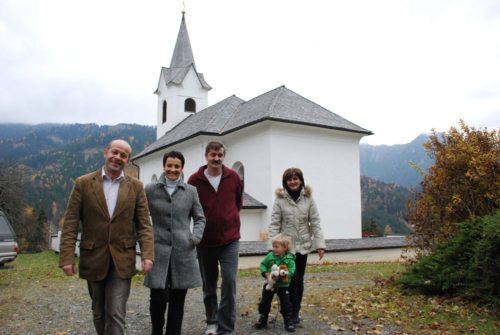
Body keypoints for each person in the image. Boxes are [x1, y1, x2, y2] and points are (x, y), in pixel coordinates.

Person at [59, 139, 154, 335]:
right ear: (106, 152)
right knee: (98, 312)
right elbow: (70, 223)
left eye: (123, 155)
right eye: (115, 152)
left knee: (116, 312)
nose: (118, 157)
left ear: (127, 160)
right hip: (93, 257)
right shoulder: (83, 183)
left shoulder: (136, 187)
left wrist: (147, 254)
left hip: (123, 258)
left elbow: (144, 224)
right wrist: (67, 257)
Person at [144, 151, 206, 335]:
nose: (172, 169)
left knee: (178, 300)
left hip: (183, 251)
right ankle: (157, 329)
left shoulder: (191, 191)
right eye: (169, 165)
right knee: (158, 297)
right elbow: (138, 216)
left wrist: (194, 238)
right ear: (164, 166)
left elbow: (200, 218)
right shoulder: (150, 189)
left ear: (182, 168)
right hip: (158, 251)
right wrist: (145, 240)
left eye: (176, 166)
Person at [187, 141, 244, 335]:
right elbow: (190, 208)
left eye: (220, 155)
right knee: (209, 284)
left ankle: (226, 327)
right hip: (205, 242)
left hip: (230, 240)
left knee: (229, 282)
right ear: (206, 156)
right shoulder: (194, 180)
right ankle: (212, 321)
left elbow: (238, 203)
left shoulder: (233, 177)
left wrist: (229, 221)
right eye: (213, 154)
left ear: (223, 156)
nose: (217, 158)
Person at [268, 167, 326, 325]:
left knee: (298, 280)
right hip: (285, 248)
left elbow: (315, 222)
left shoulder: (308, 199)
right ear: (285, 182)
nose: (293, 182)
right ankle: (287, 310)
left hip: (302, 248)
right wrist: (271, 247)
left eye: (296, 179)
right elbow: (274, 224)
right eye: (290, 179)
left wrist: (320, 245)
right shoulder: (280, 200)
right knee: (285, 280)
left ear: (301, 180)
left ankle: (295, 312)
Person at [254, 233, 296, 332]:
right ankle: (263, 318)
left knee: (286, 303)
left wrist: (284, 275)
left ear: (285, 248)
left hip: (283, 285)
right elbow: (263, 265)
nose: (274, 249)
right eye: (273, 246)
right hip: (270, 284)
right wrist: (266, 274)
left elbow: (292, 271)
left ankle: (288, 320)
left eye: (276, 247)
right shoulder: (270, 256)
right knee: (265, 301)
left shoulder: (290, 259)